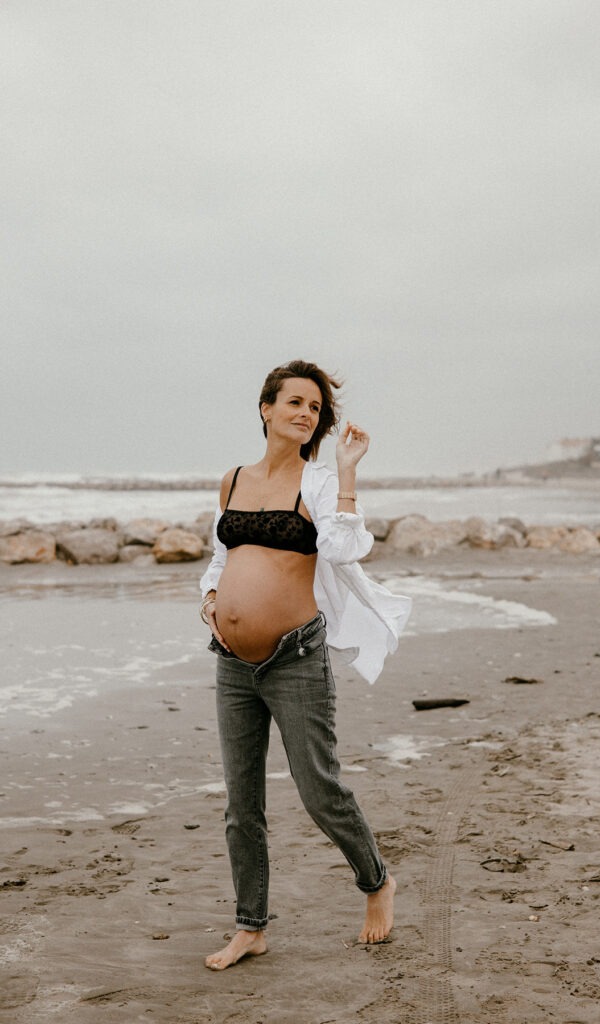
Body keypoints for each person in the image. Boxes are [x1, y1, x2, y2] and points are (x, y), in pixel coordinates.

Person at [199, 359, 411, 970]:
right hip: (232, 662)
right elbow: (222, 557)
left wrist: (346, 474)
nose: (305, 414)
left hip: (295, 658)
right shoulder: (233, 479)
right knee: (242, 805)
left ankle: (376, 882)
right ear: (266, 408)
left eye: (314, 408)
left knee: (319, 789)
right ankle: (251, 927)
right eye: (294, 402)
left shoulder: (317, 483)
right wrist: (211, 601)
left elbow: (345, 548)